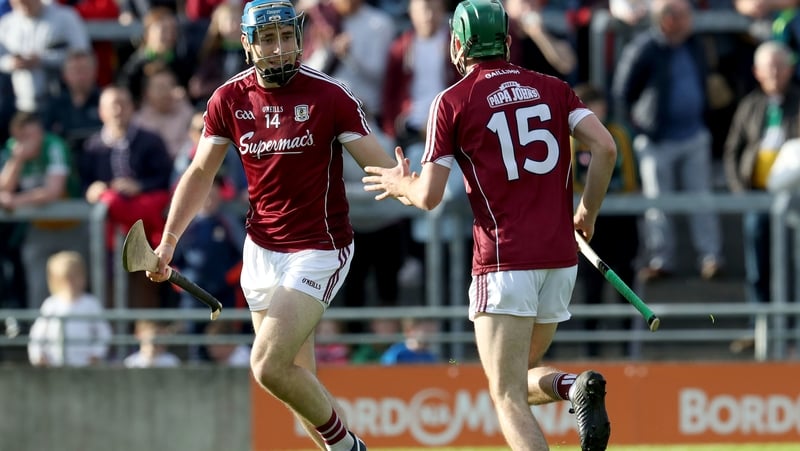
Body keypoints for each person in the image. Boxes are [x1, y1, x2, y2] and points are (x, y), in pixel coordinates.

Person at [363, 1, 616, 449]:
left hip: (504, 261)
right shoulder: (553, 87)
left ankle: (574, 384)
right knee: (516, 380)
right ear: (507, 40)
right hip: (560, 260)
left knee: (504, 396)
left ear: (457, 44)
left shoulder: (453, 101)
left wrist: (400, 183)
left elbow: (428, 197)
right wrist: (586, 213)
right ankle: (573, 386)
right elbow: (606, 148)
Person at [146, 2, 398, 450]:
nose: (279, 48)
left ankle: (351, 448)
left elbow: (381, 167)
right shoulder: (228, 99)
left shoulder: (330, 95)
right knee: (294, 383)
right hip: (261, 251)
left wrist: (412, 184)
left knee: (266, 365)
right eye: (267, 39)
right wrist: (167, 242)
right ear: (247, 44)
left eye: (286, 37)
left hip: (319, 248)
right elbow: (201, 173)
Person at [611, 0, 723, 281]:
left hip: (694, 134)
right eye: (685, 15)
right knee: (657, 203)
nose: (691, 20)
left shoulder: (695, 44)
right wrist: (640, 129)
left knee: (702, 199)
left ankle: (710, 257)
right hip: (656, 140)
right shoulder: (644, 48)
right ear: (668, 20)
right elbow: (623, 92)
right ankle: (662, 260)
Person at [723, 40, 800, 353]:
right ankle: (760, 326)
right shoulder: (750, 106)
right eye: (769, 67)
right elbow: (732, 151)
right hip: (757, 199)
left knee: (794, 264)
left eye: (780, 66)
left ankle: (792, 329)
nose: (775, 73)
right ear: (757, 72)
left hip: (794, 202)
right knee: (758, 266)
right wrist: (741, 192)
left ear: (790, 68)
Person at [571, 83, 640, 358]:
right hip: (587, 220)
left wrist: (604, 191)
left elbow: (630, 179)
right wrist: (589, 200)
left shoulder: (617, 135)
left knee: (625, 285)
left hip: (620, 221)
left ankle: (627, 350)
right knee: (591, 286)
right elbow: (571, 179)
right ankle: (592, 351)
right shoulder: (571, 140)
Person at [0, 111, 88, 310]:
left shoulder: (54, 145)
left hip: (72, 226)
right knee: (38, 287)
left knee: (78, 286)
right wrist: (18, 160)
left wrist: (15, 201)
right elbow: (3, 189)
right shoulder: (14, 150)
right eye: (21, 138)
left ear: (40, 131)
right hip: (39, 228)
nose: (26, 142)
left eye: (30, 136)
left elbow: (52, 191)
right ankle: (41, 334)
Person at [27, 251, 112, 367]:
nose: (70, 283)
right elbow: (37, 334)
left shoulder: (91, 304)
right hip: (55, 365)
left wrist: (96, 354)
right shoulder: (50, 305)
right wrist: (38, 355)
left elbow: (104, 332)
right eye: (65, 278)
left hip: (85, 365)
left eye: (74, 276)